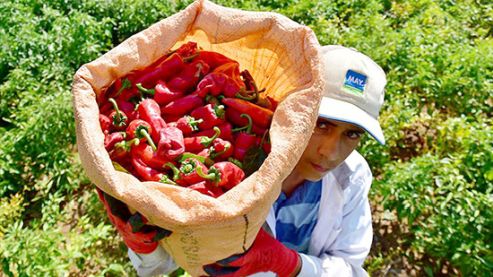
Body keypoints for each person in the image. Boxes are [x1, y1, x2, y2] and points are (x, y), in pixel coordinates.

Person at [99, 45, 387, 276]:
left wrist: (289, 264)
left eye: (352, 134)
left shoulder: (353, 176)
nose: (331, 151)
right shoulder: (233, 165)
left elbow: (350, 268)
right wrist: (143, 245)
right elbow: (164, 265)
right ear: (295, 110)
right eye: (321, 125)